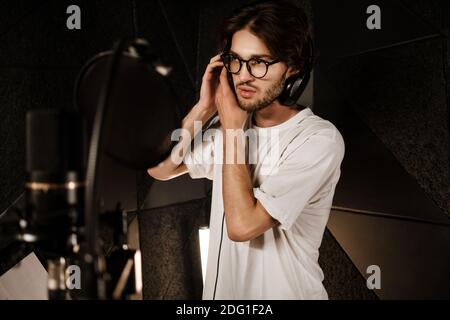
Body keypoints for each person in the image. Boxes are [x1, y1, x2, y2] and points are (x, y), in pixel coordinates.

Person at [147, 0, 345, 300]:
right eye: (235, 61)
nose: (243, 76)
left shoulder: (318, 140)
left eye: (259, 62)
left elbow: (242, 226)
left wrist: (232, 130)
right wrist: (203, 108)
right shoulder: (230, 125)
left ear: (293, 67)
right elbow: (160, 168)